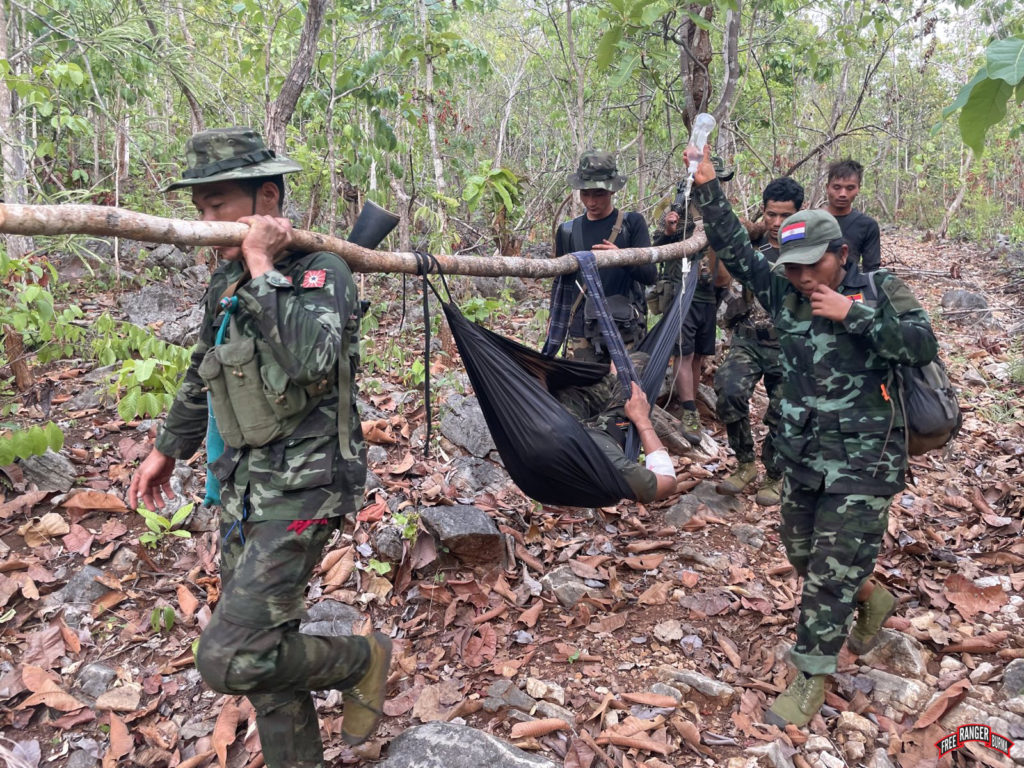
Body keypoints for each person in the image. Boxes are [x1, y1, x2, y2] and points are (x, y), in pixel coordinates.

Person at [128, 127, 391, 766]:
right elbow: (205, 363)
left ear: (266, 198)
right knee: (269, 656)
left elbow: (311, 361)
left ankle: (362, 659)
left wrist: (261, 266)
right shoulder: (225, 280)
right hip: (243, 485)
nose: (207, 219)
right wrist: (169, 445)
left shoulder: (321, 270)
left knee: (232, 657)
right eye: (201, 207)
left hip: (304, 489)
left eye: (219, 204)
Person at [688, 145, 937, 727]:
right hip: (803, 454)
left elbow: (922, 345)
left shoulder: (879, 290)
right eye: (792, 264)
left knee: (826, 575)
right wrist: (707, 189)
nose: (800, 276)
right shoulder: (783, 289)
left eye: (811, 264)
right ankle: (871, 594)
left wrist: (851, 314)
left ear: (842, 254)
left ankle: (811, 679)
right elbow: (737, 252)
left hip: (864, 460)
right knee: (803, 553)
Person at [714, 177, 804, 504]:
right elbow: (722, 279)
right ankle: (745, 463)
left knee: (785, 410)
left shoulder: (810, 251)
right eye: (770, 215)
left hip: (790, 346)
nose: (776, 223)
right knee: (728, 388)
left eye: (785, 216)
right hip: (749, 338)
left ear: (800, 213)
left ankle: (776, 472)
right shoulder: (752, 247)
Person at [544, 150, 654, 362]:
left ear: (612, 191)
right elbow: (561, 283)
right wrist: (554, 317)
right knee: (584, 390)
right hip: (582, 328)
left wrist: (622, 257)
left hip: (624, 325)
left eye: (598, 193)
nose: (591, 201)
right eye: (585, 193)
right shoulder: (567, 231)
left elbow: (650, 275)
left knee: (626, 390)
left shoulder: (632, 224)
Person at [651, 202, 731, 446]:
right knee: (684, 354)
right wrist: (669, 230)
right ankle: (689, 412)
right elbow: (656, 249)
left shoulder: (721, 212)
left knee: (697, 356)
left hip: (709, 296)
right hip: (682, 293)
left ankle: (692, 406)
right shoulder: (679, 210)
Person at [554, 353, 678, 502]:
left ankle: (611, 379)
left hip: (565, 421)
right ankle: (611, 380)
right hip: (607, 429)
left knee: (564, 392)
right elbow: (667, 483)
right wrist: (642, 421)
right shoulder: (608, 462)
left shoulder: (537, 428)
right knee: (638, 362)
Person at [824, 159, 881, 272]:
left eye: (850, 188)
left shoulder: (868, 225)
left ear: (858, 189)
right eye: (837, 187)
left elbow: (871, 269)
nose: (842, 194)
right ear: (827, 187)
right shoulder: (811, 220)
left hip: (850, 286)